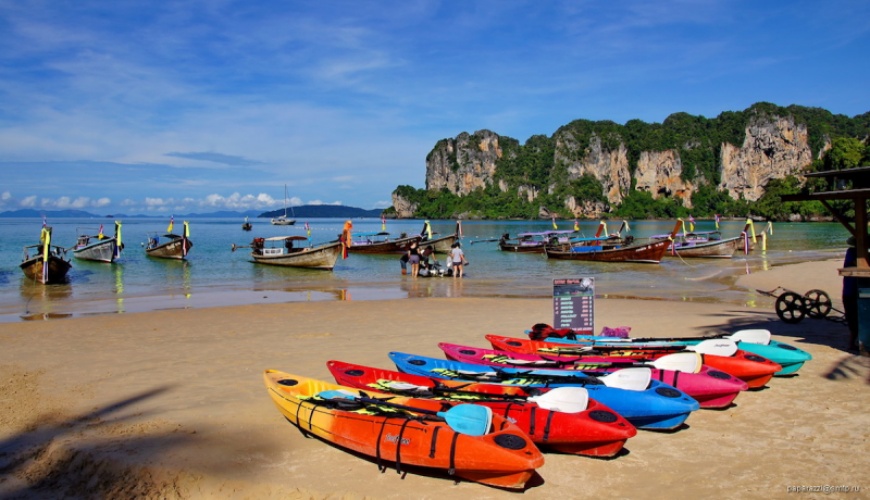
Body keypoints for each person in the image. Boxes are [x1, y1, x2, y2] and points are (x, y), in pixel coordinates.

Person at [843, 236, 859, 351]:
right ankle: (852, 343)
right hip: (851, 290)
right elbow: (858, 262)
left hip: (854, 290)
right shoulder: (852, 252)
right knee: (853, 319)